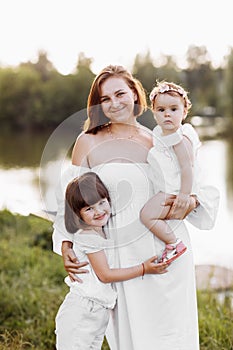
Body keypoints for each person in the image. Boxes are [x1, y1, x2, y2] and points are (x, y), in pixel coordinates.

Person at [52, 65, 219, 350]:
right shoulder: (87, 141)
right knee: (132, 337)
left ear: (135, 94)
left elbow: (201, 187)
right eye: (106, 98)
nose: (114, 103)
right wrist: (67, 244)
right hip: (122, 256)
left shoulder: (162, 138)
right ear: (99, 104)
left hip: (168, 252)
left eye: (120, 93)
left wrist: (189, 201)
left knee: (171, 334)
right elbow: (69, 199)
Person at [55, 172, 168, 349]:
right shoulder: (88, 236)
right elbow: (105, 275)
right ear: (78, 214)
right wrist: (144, 268)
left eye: (102, 202)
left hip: (97, 311)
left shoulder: (100, 229)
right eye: (89, 209)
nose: (99, 211)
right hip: (83, 310)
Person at [140, 81, 201, 264]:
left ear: (184, 112)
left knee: (146, 215)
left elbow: (187, 167)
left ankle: (173, 243)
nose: (167, 114)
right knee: (148, 214)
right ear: (154, 112)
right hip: (167, 188)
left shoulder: (179, 138)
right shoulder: (161, 135)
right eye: (161, 110)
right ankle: (170, 241)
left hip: (173, 190)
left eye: (173, 109)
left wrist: (184, 194)